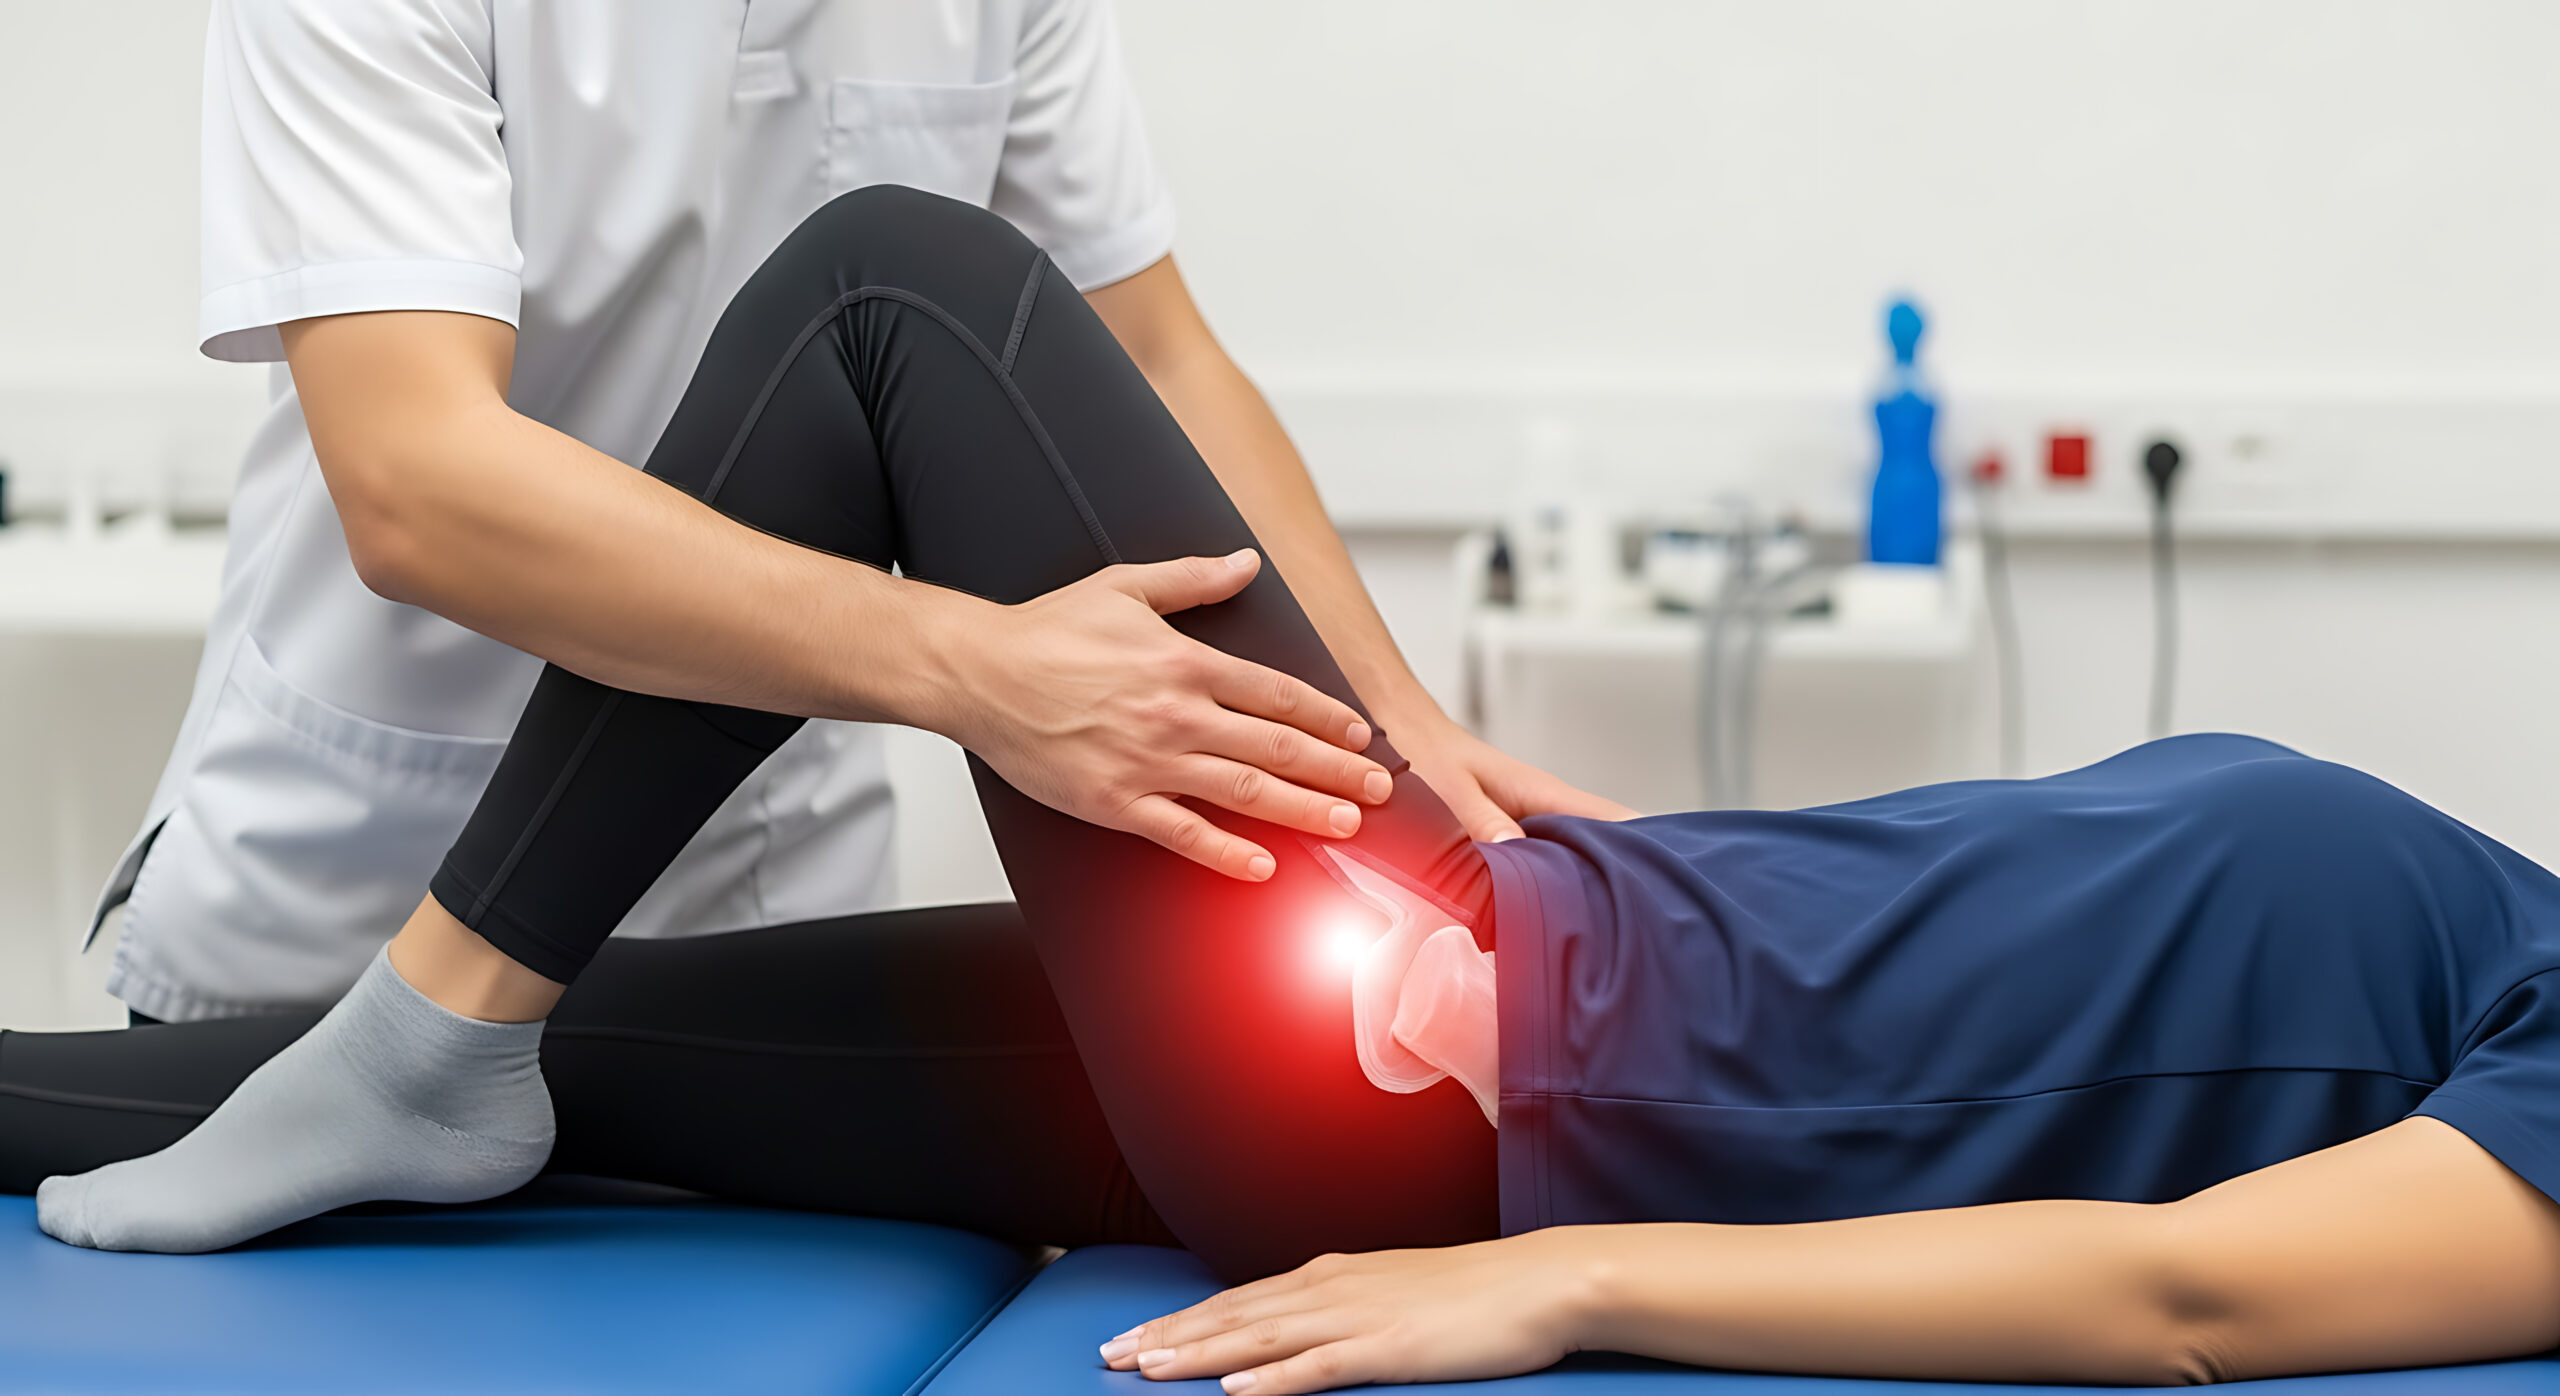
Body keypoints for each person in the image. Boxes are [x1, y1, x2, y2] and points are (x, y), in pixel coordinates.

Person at [14, 189, 2560, 1393]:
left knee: (896, 298)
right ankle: (416, 1044)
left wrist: (1569, 1280)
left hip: (1422, 1067)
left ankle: (440, 1011)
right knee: (570, 1074)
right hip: (1461, 978)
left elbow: (2186, 1295)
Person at [101, 0, 1616, 1024]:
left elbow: (1157, 355)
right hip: (359, 900)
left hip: (756, 916)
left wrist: (1389, 723)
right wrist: (977, 671)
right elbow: (418, 483)